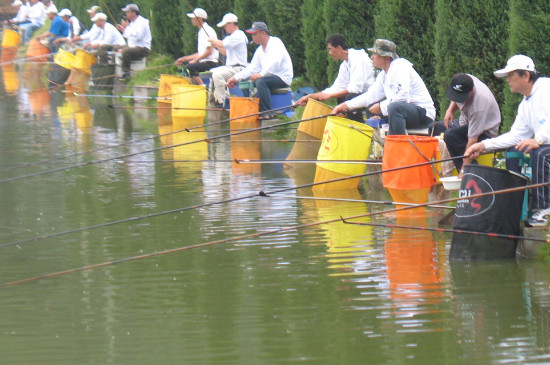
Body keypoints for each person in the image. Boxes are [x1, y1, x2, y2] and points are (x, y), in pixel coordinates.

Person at [465, 55, 550, 226]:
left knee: (540, 153)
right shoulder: (526, 104)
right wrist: (483, 145)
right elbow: (516, 136)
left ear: (526, 76)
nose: (508, 80)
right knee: (513, 150)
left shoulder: (546, 89)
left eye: (511, 76)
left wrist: (539, 139)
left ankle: (543, 209)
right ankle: (515, 206)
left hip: (545, 145)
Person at [333, 39, 435, 135]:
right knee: (372, 110)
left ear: (386, 57)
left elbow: (402, 97)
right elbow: (370, 96)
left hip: (424, 115)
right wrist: (345, 106)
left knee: (395, 108)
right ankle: (381, 146)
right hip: (407, 113)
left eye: (375, 54)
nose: (372, 57)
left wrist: (381, 107)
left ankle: (397, 147)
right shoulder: (383, 74)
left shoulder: (400, 67)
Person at [296, 34, 375, 123]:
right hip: (358, 94)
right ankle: (347, 124)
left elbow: (355, 89)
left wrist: (330, 95)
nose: (329, 53)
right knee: (341, 96)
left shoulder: (358, 59)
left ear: (339, 48)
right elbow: (337, 88)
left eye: (330, 49)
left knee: (349, 96)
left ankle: (358, 127)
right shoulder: (344, 65)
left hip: (370, 96)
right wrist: (311, 97)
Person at [431, 73, 501, 170]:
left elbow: (473, 140)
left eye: (461, 97)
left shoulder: (479, 106)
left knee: (451, 136)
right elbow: (456, 95)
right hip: (467, 123)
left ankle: (472, 173)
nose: (458, 99)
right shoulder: (464, 80)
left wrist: (464, 169)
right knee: (435, 127)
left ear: (471, 91)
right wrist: (450, 110)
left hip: (485, 132)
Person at [227, 22, 293, 120]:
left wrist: (261, 74)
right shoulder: (259, 50)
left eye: (254, 34)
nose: (252, 37)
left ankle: (268, 112)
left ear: (263, 33)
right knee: (244, 81)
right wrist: (235, 78)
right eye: (252, 34)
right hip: (268, 77)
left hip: (282, 78)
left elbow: (275, 64)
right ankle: (249, 109)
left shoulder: (276, 43)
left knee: (261, 82)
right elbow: (251, 68)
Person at [207, 13, 248, 107]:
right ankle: (213, 100)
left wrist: (213, 40)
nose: (224, 28)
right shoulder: (233, 37)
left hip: (238, 68)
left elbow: (222, 44)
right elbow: (225, 52)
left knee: (217, 75)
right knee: (212, 72)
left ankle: (222, 101)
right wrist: (216, 46)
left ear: (231, 24)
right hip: (231, 68)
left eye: (225, 25)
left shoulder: (238, 35)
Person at [174, 8, 219, 85]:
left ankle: (202, 87)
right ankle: (200, 86)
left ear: (200, 19)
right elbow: (200, 53)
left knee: (189, 68)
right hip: (204, 62)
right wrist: (184, 59)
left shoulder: (207, 30)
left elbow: (209, 51)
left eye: (194, 18)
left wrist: (195, 60)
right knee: (187, 67)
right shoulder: (201, 31)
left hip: (211, 62)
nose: (192, 20)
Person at [116, 4, 152, 80]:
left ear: (133, 13)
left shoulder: (142, 22)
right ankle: (116, 72)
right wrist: (123, 29)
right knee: (116, 48)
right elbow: (130, 38)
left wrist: (127, 27)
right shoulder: (132, 23)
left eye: (127, 12)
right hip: (135, 46)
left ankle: (126, 74)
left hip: (143, 48)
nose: (126, 14)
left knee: (126, 52)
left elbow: (138, 37)